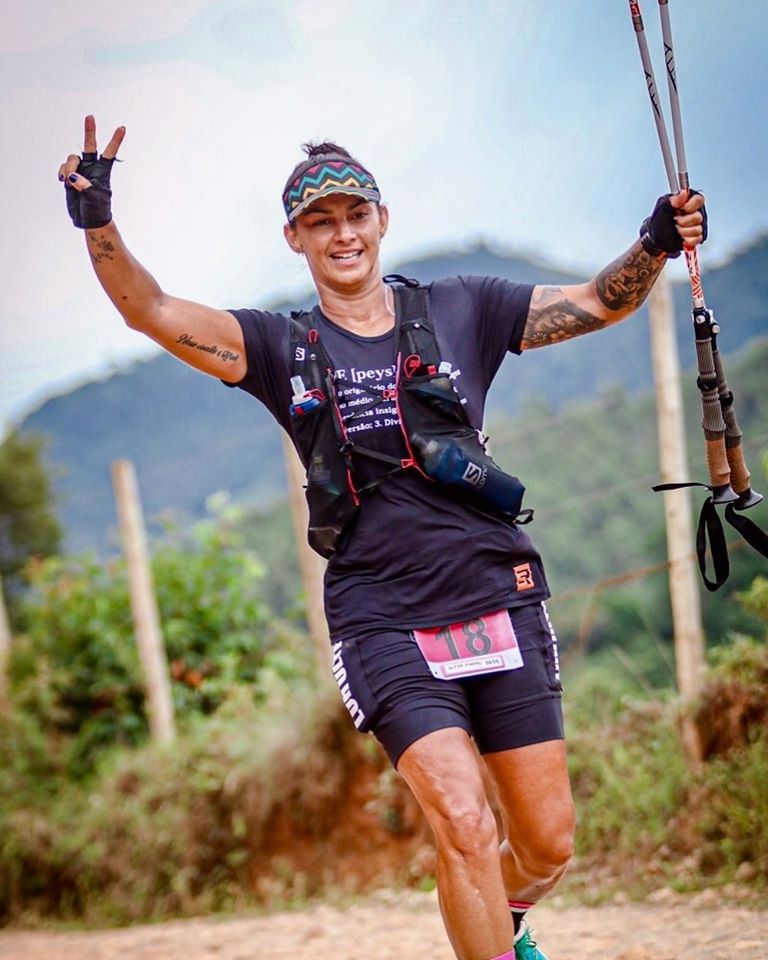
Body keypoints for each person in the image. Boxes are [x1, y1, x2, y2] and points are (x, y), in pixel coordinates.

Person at [58, 115, 707, 960]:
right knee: (464, 822)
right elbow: (149, 309)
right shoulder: (278, 347)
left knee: (548, 845)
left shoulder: (462, 307)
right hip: (382, 618)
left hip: (497, 594)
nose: (343, 234)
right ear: (294, 237)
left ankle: (502, 918)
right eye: (320, 221)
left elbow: (594, 303)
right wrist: (98, 221)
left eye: (355, 214)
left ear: (382, 219)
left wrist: (655, 242)